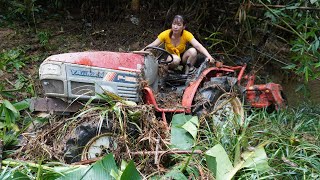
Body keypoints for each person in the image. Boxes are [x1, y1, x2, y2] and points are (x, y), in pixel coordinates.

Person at [144, 15, 216, 73]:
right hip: (169, 58)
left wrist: (209, 56)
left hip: (182, 57)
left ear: (183, 27)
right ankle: (168, 71)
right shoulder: (165, 34)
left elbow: (198, 46)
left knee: (193, 51)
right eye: (174, 24)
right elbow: (153, 45)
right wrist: (141, 52)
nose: (175, 27)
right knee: (176, 59)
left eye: (179, 25)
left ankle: (188, 72)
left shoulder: (186, 34)